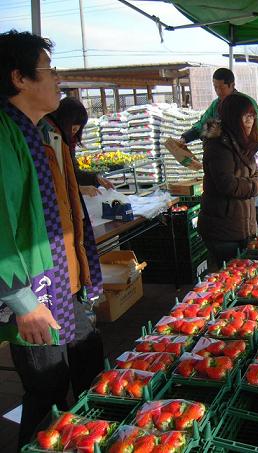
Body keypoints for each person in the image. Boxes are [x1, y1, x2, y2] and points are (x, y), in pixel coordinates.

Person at [0, 30, 104, 448]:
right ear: (19, 78)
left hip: (64, 284)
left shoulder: (42, 131)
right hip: (31, 293)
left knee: (89, 362)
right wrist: (23, 303)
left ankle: (87, 438)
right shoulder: (6, 136)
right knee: (45, 389)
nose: (58, 79)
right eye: (49, 70)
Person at [179, 68, 258, 230]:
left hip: (252, 152)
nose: (218, 91)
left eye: (221, 87)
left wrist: (248, 159)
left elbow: (256, 134)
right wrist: (185, 137)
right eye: (215, 87)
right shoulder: (216, 106)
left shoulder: (245, 102)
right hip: (232, 155)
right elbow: (203, 124)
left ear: (232, 85)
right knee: (241, 195)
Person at [197, 93, 258, 270]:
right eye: (245, 116)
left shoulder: (242, 143)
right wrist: (255, 185)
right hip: (222, 229)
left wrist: (254, 183)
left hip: (241, 225)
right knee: (226, 279)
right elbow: (228, 185)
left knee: (241, 274)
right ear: (232, 117)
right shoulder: (218, 146)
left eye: (252, 116)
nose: (250, 120)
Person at [48, 96, 114, 196]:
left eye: (77, 130)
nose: (74, 134)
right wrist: (78, 189)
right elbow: (53, 181)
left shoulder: (69, 143)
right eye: (73, 129)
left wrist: (95, 178)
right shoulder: (49, 140)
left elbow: (74, 172)